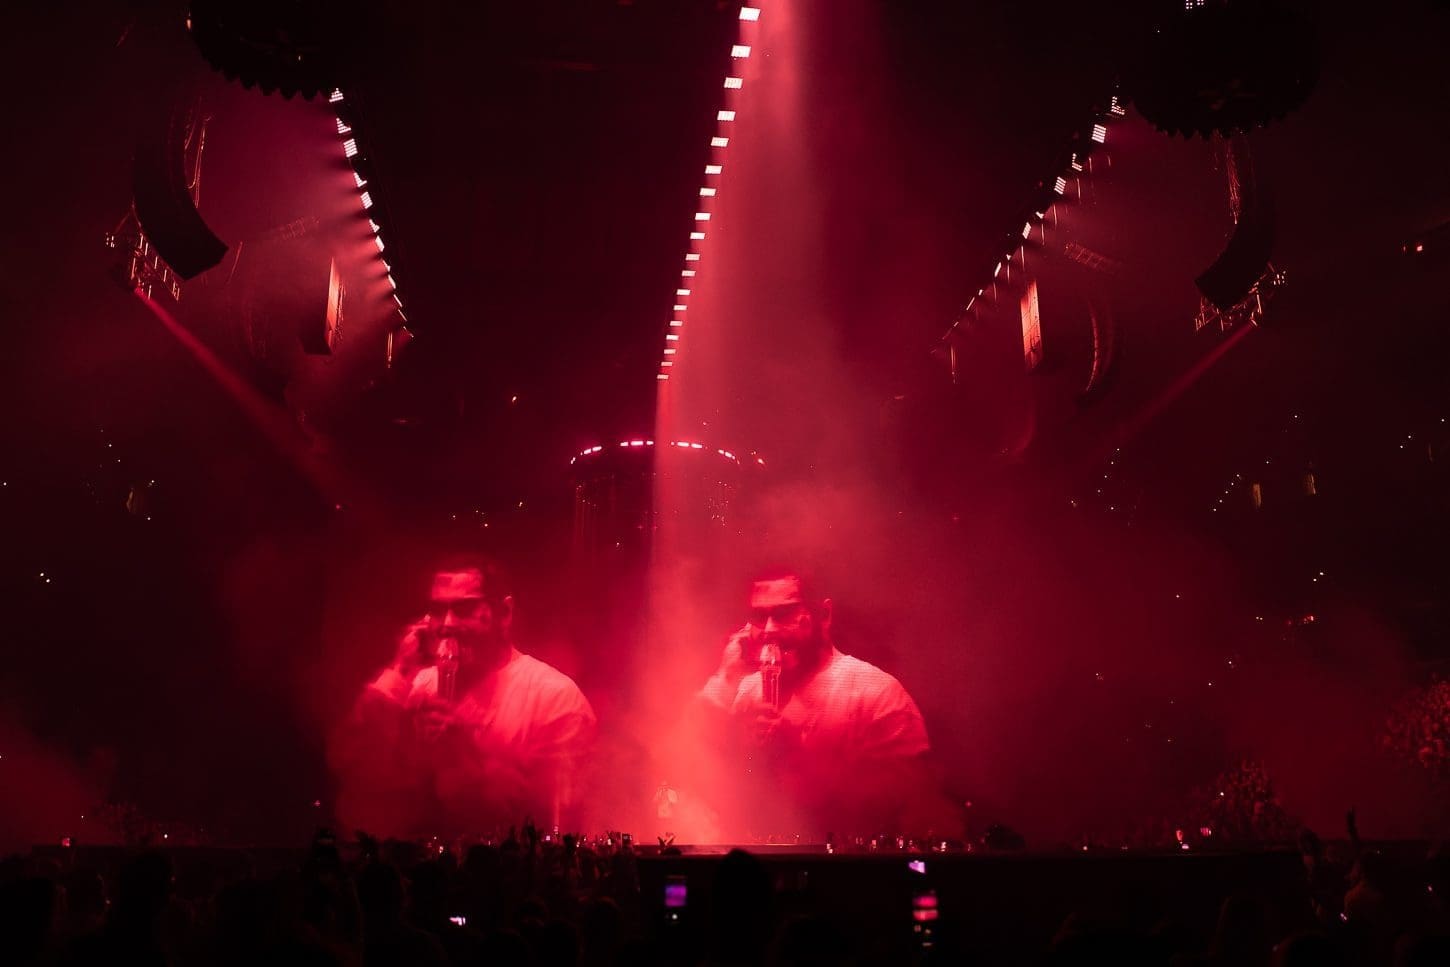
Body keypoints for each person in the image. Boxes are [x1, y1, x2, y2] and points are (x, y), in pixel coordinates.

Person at [331, 555, 596, 837]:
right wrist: (399, 671)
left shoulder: (554, 698)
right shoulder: (417, 685)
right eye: (437, 610)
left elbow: (551, 824)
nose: (446, 624)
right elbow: (348, 765)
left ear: (504, 613)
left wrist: (464, 760)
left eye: (464, 609)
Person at [695, 567, 943, 839]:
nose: (769, 630)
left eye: (783, 614)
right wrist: (725, 678)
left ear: (823, 615)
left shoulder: (876, 691)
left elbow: (908, 805)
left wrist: (798, 758)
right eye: (759, 616)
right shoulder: (747, 690)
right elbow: (695, 775)